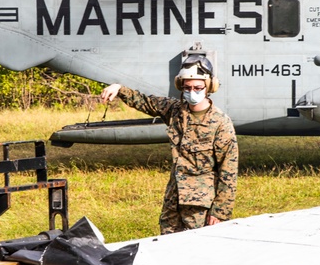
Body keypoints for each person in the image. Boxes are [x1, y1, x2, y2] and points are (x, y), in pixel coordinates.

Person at [100, 56, 238, 234]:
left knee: (200, 252)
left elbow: (229, 170)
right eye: (187, 88)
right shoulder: (174, 111)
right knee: (166, 248)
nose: (192, 92)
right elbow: (144, 101)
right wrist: (118, 89)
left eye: (197, 88)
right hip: (174, 201)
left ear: (209, 87)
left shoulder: (220, 123)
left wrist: (220, 211)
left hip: (200, 207)